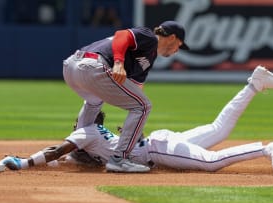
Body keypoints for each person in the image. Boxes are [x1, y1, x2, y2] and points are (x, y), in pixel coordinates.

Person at [0, 66, 273, 172]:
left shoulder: (85, 133)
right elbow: (62, 159)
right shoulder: (90, 139)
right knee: (218, 129)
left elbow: (55, 152)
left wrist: (23, 163)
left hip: (157, 149)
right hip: (159, 142)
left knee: (211, 163)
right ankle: (254, 84)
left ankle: (266, 148)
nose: (73, 130)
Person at [62, 20, 190, 172]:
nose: (177, 50)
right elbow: (121, 35)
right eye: (179, 45)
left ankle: (79, 152)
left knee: (94, 102)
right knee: (143, 106)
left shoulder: (149, 58)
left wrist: (135, 129)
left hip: (72, 67)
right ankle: (119, 159)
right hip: (92, 66)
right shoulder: (149, 37)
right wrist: (118, 63)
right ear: (172, 38)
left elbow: (135, 90)